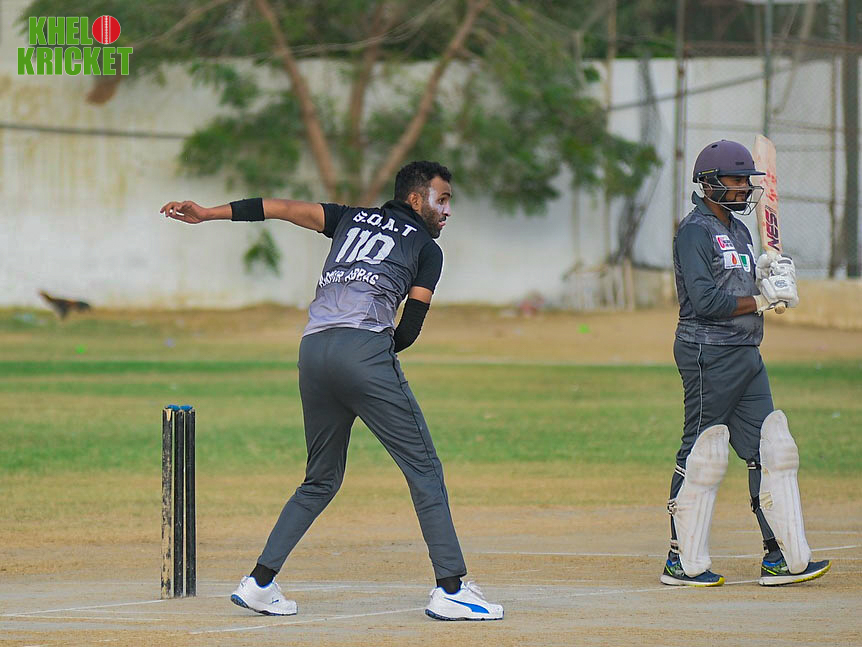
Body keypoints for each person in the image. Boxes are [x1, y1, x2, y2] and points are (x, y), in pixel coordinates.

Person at [160, 161, 503, 621]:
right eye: (442, 200)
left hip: (313, 352)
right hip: (363, 354)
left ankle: (259, 583)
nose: (447, 211)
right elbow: (410, 327)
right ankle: (452, 589)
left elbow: (278, 207)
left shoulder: (348, 217)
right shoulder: (426, 248)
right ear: (415, 199)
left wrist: (208, 213)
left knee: (320, 479)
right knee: (424, 469)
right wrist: (371, 358)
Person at [661, 140, 831, 587]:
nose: (744, 188)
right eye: (736, 180)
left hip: (746, 351)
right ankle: (680, 560)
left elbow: (743, 283)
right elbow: (705, 300)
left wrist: (771, 275)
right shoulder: (694, 231)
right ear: (709, 182)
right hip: (707, 352)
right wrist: (761, 300)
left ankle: (779, 557)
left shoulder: (740, 231)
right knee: (702, 452)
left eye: (746, 181)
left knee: (774, 449)